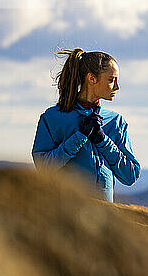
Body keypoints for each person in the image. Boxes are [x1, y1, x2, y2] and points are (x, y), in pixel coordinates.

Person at [31, 48, 140, 202]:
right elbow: (43, 169)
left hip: (105, 218)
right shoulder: (52, 118)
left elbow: (131, 175)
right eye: (111, 80)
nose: (117, 87)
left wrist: (102, 140)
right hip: (65, 213)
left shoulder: (116, 122)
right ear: (92, 79)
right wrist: (79, 137)